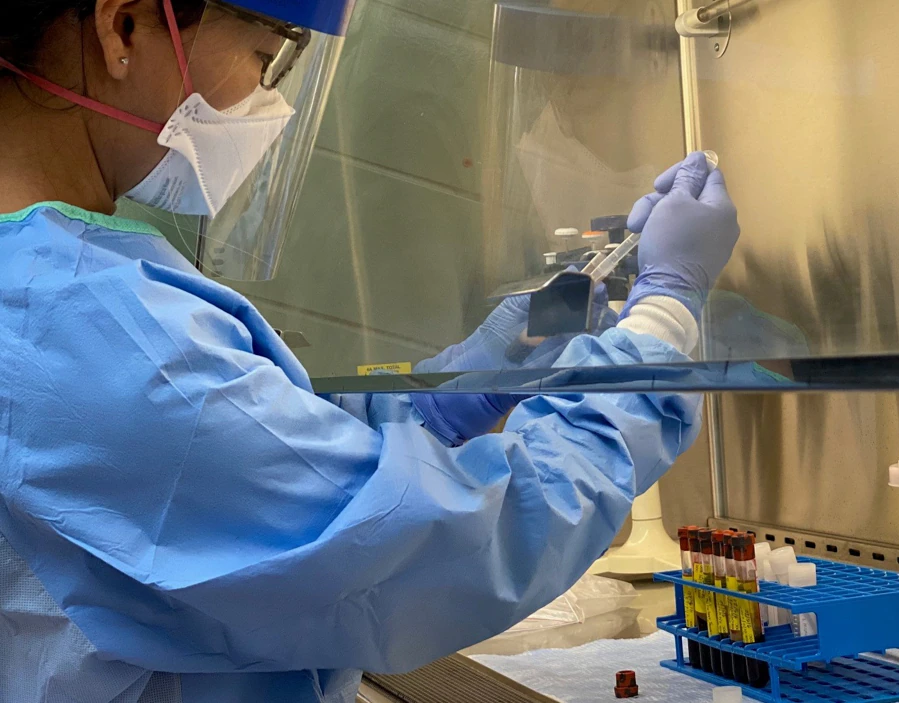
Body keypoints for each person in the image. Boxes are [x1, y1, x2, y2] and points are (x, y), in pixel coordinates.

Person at [0, 0, 740, 701]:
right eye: (264, 58)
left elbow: (257, 443)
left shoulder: (47, 281)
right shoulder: (79, 318)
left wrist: (451, 395)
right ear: (123, 26)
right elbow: (427, 546)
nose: (266, 98)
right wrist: (662, 326)